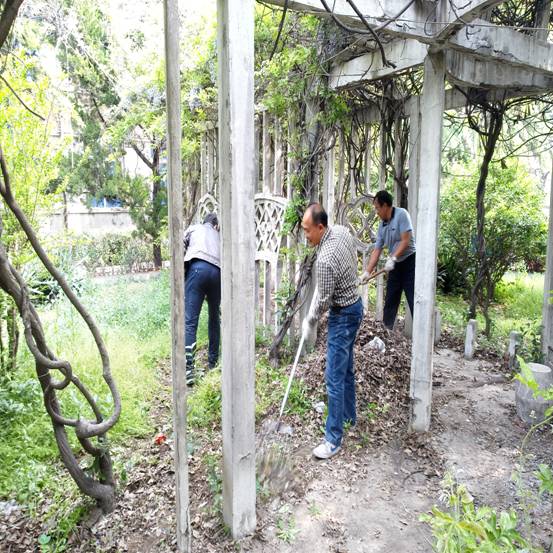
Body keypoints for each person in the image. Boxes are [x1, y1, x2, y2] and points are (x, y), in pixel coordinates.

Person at [301, 203, 363, 460]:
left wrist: (310, 320)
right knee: (345, 369)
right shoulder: (341, 231)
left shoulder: (325, 260)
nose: (305, 235)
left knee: (334, 378)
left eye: (307, 230)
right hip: (356, 306)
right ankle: (349, 417)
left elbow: (324, 300)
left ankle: (333, 439)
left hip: (343, 315)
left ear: (320, 227)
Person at [360, 190, 416, 330]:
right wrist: (367, 272)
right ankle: (386, 332)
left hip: (410, 263)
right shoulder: (382, 226)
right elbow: (377, 250)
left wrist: (393, 257)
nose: (376, 212)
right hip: (395, 266)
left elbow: (405, 240)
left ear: (385, 206)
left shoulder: (402, 215)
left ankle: (421, 336)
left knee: (414, 300)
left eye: (377, 208)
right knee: (390, 300)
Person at [183, 212, 221, 385]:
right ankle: (213, 364)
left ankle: (189, 370)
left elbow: (181, 244)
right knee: (214, 319)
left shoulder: (194, 228)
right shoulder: (219, 236)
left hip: (197, 269)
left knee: (190, 322)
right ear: (216, 225)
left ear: (204, 222)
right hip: (217, 273)